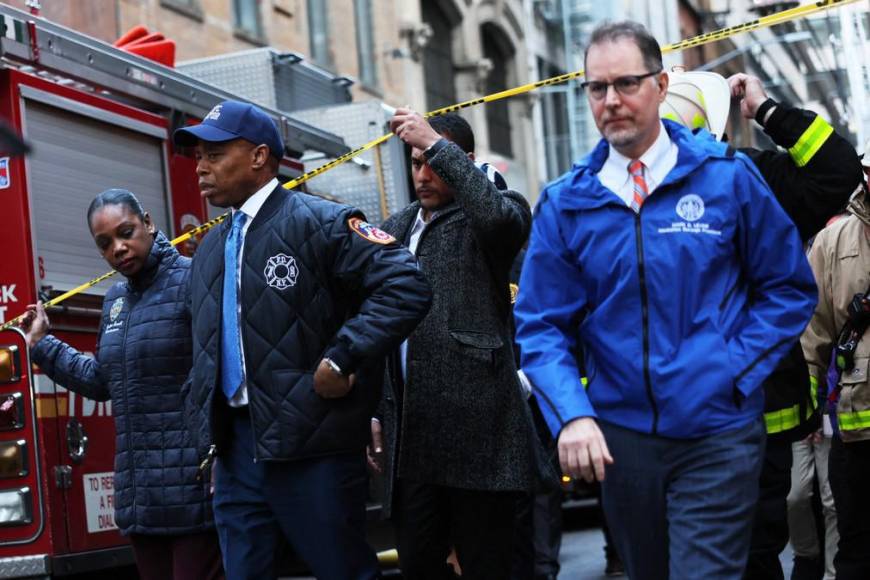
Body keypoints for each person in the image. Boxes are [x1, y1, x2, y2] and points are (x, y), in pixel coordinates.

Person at [513, 20, 818, 580]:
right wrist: (572, 416)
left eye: (626, 84)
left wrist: (731, 371)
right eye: (597, 88)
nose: (611, 101)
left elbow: (788, 288)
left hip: (716, 431)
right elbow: (540, 326)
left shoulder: (727, 180)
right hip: (621, 440)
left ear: (658, 85)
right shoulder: (566, 202)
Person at [173, 100, 431, 580]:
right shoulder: (210, 248)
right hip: (236, 453)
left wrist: (342, 357)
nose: (201, 166)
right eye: (197, 156)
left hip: (312, 447)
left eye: (214, 152)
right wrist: (207, 438)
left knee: (343, 571)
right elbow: (203, 350)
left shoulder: (321, 221)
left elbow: (406, 285)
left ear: (258, 156)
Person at [20, 189, 223, 580]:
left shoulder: (193, 279)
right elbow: (103, 381)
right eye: (105, 243)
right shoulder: (115, 300)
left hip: (194, 493)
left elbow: (218, 375)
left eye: (126, 232)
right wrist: (43, 345)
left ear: (148, 222)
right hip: (140, 500)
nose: (119, 248)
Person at [372, 110, 535, 579]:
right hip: (413, 442)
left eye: (433, 161)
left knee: (490, 566)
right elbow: (375, 324)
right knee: (419, 565)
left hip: (479, 440)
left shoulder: (495, 213)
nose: (422, 174)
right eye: (415, 162)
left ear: (464, 161)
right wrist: (375, 411)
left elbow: (500, 219)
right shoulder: (394, 228)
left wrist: (435, 143)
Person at [722, 73, 861, 580]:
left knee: (755, 552)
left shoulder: (747, 175)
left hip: (758, 414)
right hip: (669, 423)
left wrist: (766, 111)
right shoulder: (613, 197)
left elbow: (838, 173)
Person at [801, 141, 870, 580]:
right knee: (858, 552)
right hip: (857, 432)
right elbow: (812, 337)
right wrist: (808, 413)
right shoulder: (832, 242)